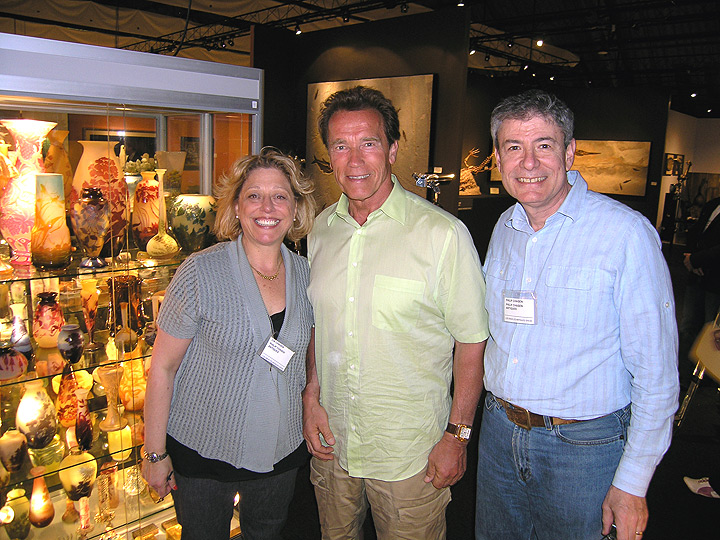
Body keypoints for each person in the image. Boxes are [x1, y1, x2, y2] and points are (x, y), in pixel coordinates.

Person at [475, 89, 679, 540]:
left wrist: (632, 483)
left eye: (544, 145)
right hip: (499, 435)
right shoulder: (504, 228)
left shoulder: (624, 233)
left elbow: (658, 374)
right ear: (497, 158)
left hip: (583, 449)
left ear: (569, 152)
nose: (528, 162)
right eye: (514, 148)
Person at [302, 85, 489, 539]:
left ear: (392, 149)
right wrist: (311, 393)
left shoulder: (443, 235)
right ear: (329, 154)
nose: (355, 160)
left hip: (410, 455)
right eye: (340, 146)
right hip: (334, 443)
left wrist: (457, 437)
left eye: (368, 143)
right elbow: (316, 325)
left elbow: (472, 341)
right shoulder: (320, 231)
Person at [142, 147, 316, 540]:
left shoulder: (308, 276)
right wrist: (155, 454)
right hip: (202, 453)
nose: (266, 207)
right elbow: (163, 369)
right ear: (236, 206)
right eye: (254, 195)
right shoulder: (200, 272)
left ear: (295, 208)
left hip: (280, 453)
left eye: (280, 196)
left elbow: (312, 354)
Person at [678, 195, 720, 387]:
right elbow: (696, 233)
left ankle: (704, 379)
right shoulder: (713, 203)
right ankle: (683, 375)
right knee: (688, 327)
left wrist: (696, 260)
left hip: (715, 280)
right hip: (697, 277)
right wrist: (690, 259)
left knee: (710, 330)